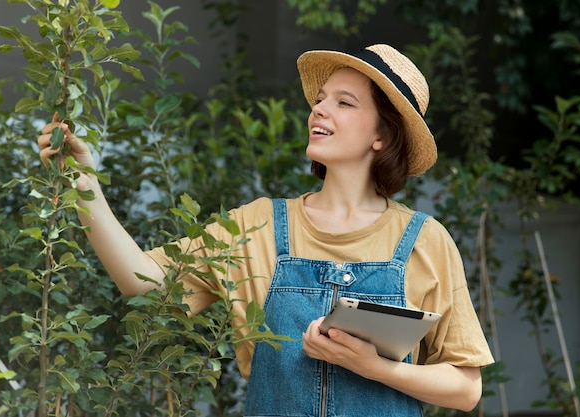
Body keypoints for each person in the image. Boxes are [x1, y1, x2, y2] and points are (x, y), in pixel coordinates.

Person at [38, 44, 494, 416]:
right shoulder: (255, 224)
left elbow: (465, 386)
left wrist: (377, 369)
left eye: (343, 102)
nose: (319, 110)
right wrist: (85, 186)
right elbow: (144, 284)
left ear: (382, 136)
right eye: (320, 99)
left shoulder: (424, 241)